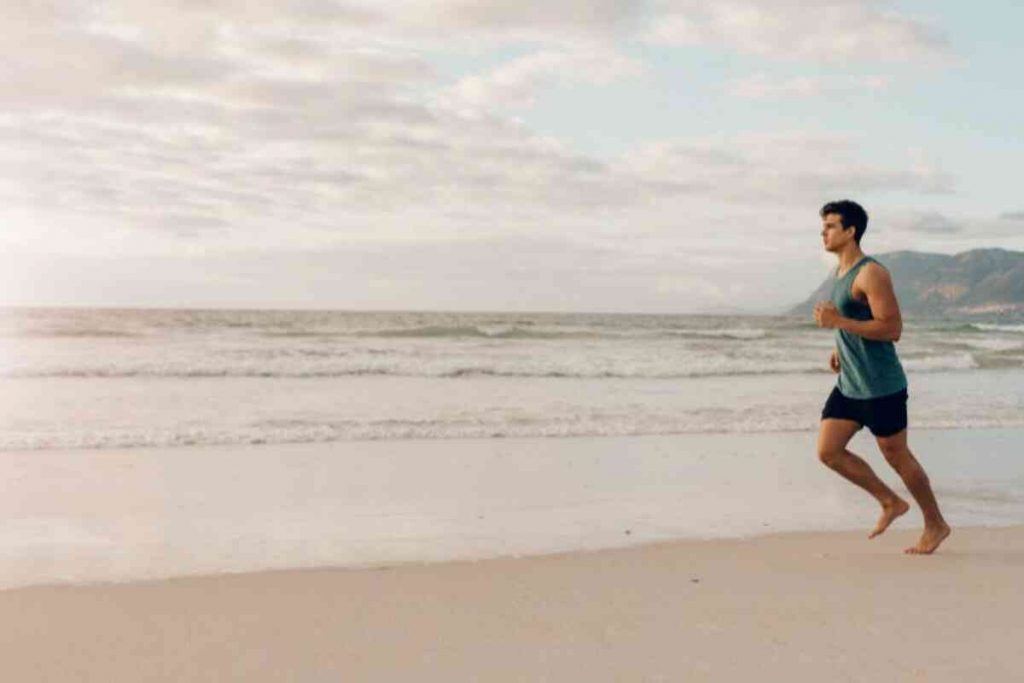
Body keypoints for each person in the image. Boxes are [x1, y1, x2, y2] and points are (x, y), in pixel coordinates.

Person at [813, 200, 951, 554]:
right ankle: (890, 502)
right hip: (850, 384)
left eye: (830, 225)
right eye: (823, 225)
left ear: (850, 231)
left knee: (897, 455)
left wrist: (839, 323)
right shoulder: (840, 273)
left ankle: (935, 523)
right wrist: (840, 349)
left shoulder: (871, 273)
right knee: (828, 452)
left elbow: (892, 328)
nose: (823, 232)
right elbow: (853, 321)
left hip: (881, 386)